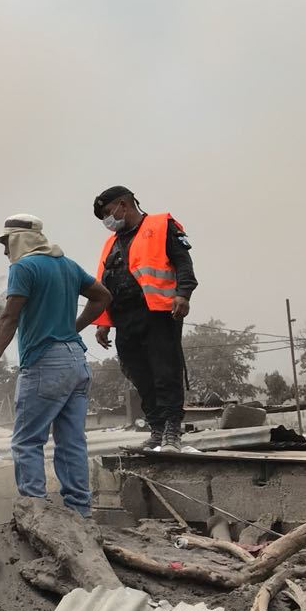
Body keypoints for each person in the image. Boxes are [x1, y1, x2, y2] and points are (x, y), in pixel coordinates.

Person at [0, 214, 112, 517]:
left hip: (45, 363)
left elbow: (9, 317)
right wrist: (74, 328)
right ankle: (81, 512)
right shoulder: (67, 265)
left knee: (26, 441)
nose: (5, 251)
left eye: (7, 243)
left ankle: (34, 512)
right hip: (76, 361)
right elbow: (103, 296)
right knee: (72, 441)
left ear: (20, 239)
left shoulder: (24, 268)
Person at [90, 185, 198, 451]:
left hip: (158, 312)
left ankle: (172, 431)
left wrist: (183, 294)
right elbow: (103, 283)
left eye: (107, 213)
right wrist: (104, 322)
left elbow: (183, 262)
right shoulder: (111, 243)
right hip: (125, 318)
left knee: (165, 371)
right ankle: (157, 429)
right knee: (138, 374)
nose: (107, 220)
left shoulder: (162, 225)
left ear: (123, 205)